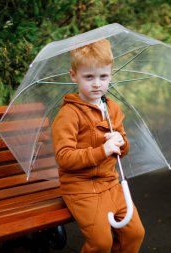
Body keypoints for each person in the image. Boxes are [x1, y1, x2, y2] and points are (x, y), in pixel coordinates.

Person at [51, 39, 145, 253]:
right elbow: (64, 157)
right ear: (74, 75)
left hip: (110, 183)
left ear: (111, 74)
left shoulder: (112, 109)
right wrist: (102, 150)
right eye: (89, 77)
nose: (97, 84)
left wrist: (121, 142)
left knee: (134, 233)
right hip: (81, 187)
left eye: (103, 77)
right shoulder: (69, 114)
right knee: (101, 243)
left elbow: (122, 151)